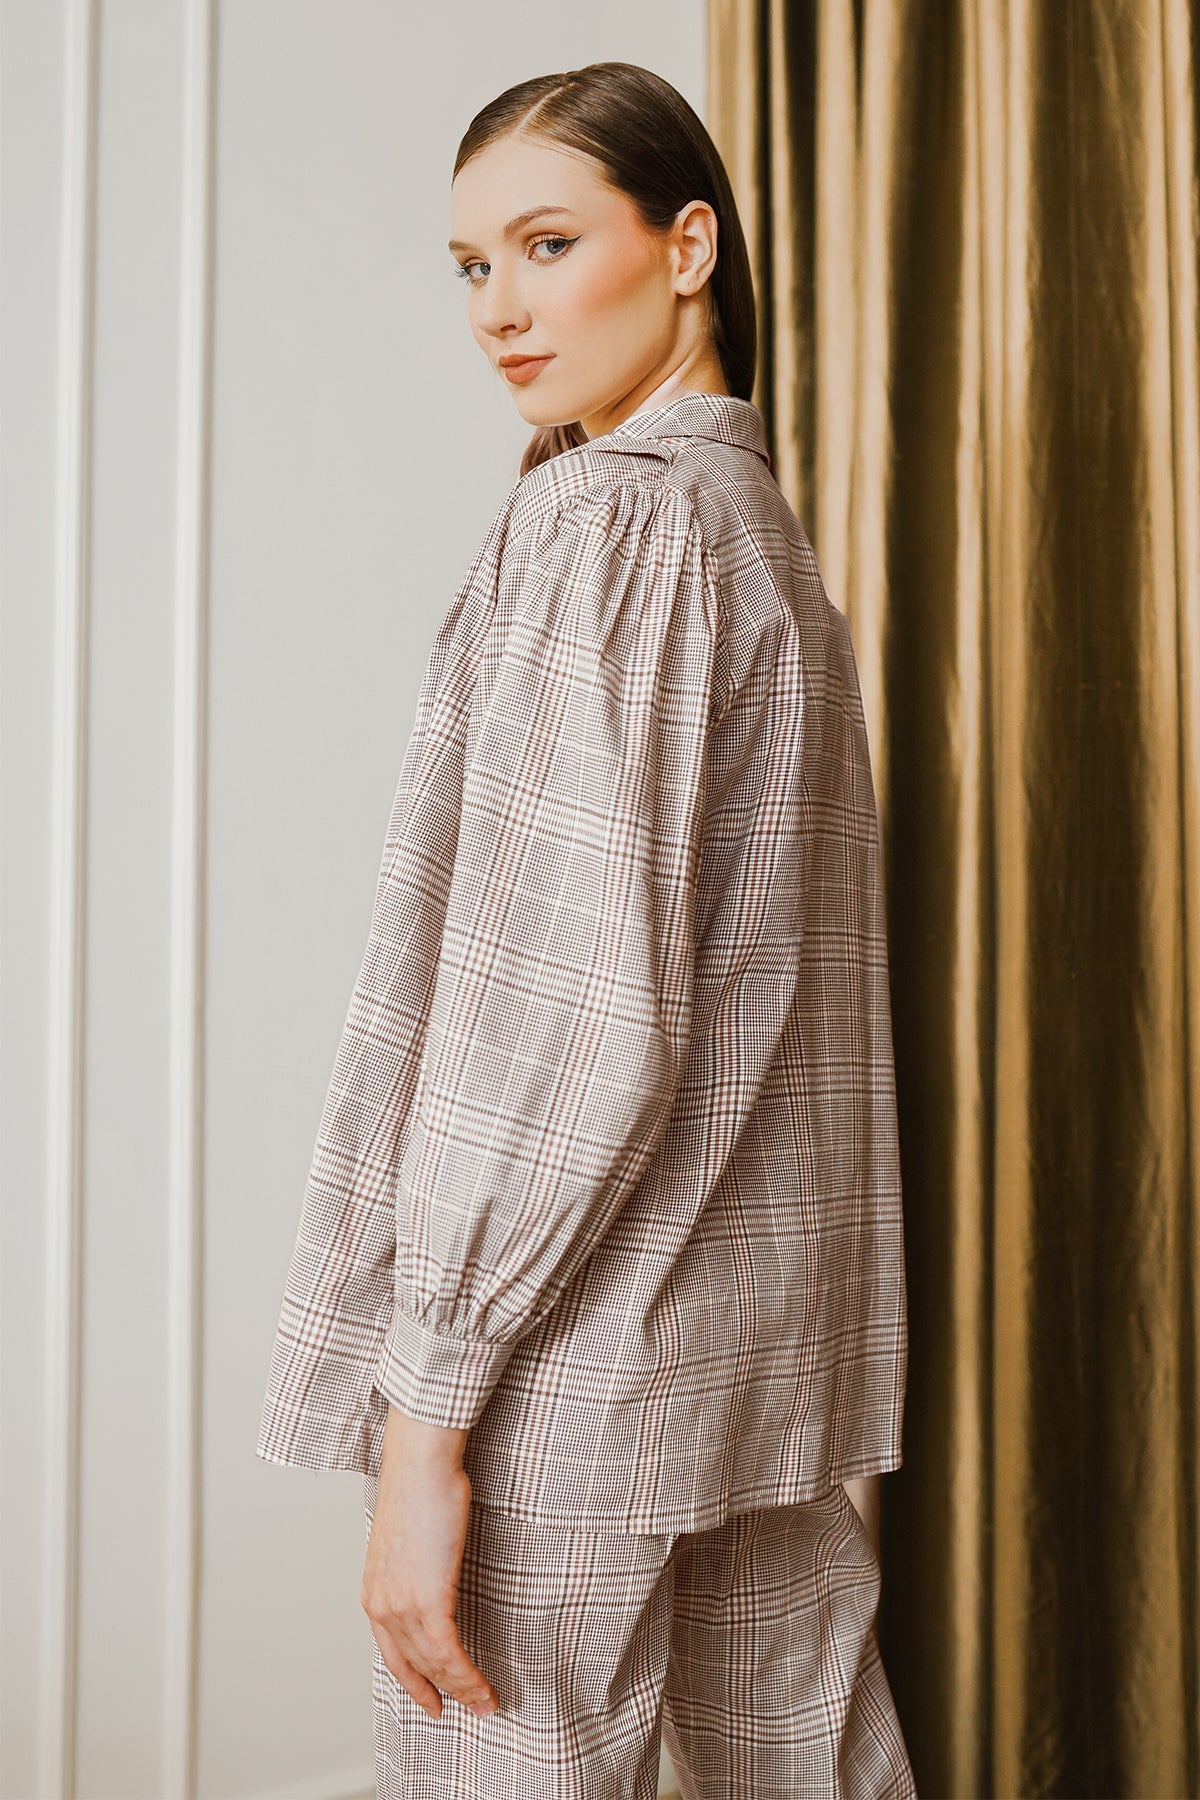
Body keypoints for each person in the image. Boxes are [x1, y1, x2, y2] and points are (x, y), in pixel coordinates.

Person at [256, 60, 916, 1800]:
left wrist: (428, 1419)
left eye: (547, 245)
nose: (499, 307)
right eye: (471, 265)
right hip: (756, 1369)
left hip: (577, 1380)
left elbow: (560, 1021)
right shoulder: (761, 543)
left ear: (687, 247)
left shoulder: (605, 524)